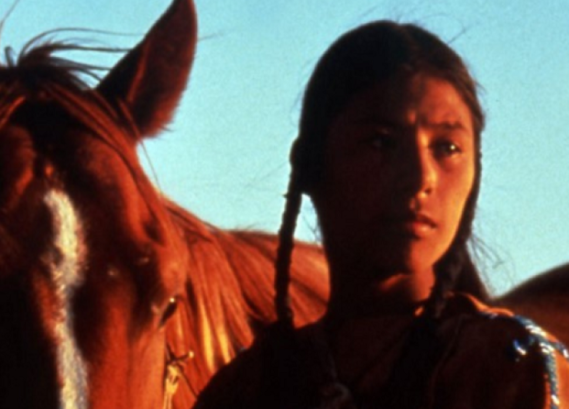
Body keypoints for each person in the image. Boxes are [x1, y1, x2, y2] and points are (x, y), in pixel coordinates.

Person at [193, 21, 569, 409]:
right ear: (309, 165)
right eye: (381, 143)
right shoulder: (246, 389)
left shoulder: (509, 367)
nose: (421, 178)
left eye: (447, 147)